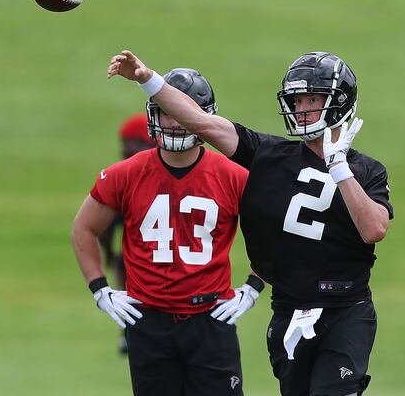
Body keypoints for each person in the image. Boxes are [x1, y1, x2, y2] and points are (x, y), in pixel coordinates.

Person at [107, 50, 393, 396]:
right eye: (298, 101)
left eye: (312, 100)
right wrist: (148, 79)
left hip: (346, 306)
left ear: (339, 102)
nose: (302, 110)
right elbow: (203, 123)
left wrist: (339, 167)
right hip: (288, 306)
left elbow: (374, 229)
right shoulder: (269, 155)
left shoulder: (367, 170)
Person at [71, 68, 264, 396]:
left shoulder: (234, 176)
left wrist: (253, 287)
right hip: (149, 319)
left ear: (202, 118)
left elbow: (274, 235)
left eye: (181, 113)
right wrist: (100, 289)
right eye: (166, 112)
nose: (174, 122)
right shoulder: (126, 174)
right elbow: (84, 228)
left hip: (210, 316)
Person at [97, 113, 156, 354]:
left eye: (131, 145)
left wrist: (108, 254)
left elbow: (105, 227)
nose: (124, 151)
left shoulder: (127, 180)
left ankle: (128, 330)